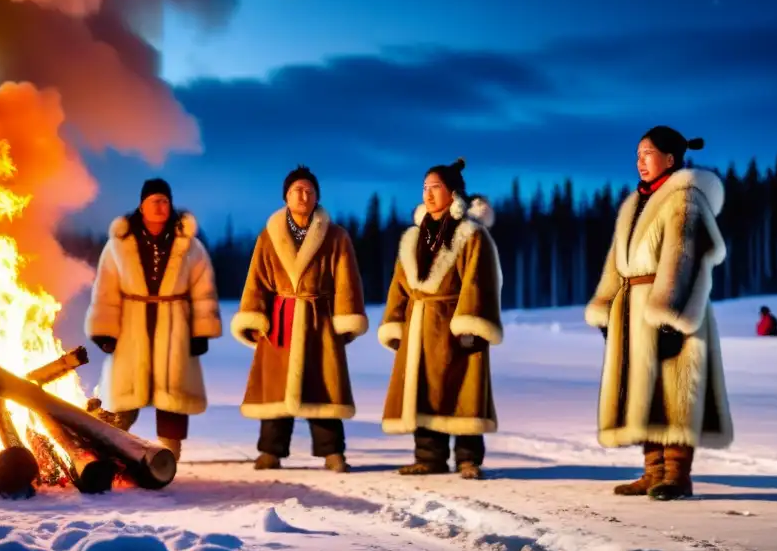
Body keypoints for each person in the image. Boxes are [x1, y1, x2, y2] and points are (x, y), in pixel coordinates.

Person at [585, 126, 734, 500]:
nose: (640, 161)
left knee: (676, 390)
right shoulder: (634, 204)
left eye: (648, 153)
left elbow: (688, 261)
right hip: (633, 309)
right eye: (637, 154)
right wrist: (606, 307)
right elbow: (616, 263)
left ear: (670, 159)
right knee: (643, 390)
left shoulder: (684, 200)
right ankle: (652, 471)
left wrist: (671, 315)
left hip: (671, 306)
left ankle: (677, 475)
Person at [231, 166, 368, 472]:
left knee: (324, 387)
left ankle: (333, 453)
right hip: (281, 321)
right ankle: (270, 451)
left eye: (308, 191)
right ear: (286, 197)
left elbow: (347, 280)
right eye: (297, 191)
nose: (303, 196)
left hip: (319, 322)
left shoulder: (335, 236)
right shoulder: (270, 236)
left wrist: (345, 322)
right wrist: (254, 319)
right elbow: (257, 280)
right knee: (277, 390)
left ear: (317, 196)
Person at [377, 158, 503, 479]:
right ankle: (429, 457)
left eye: (436, 188)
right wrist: (394, 321)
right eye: (425, 188)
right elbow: (399, 286)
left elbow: (480, 281)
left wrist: (470, 324)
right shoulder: (413, 238)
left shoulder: (471, 236)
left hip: (454, 324)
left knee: (463, 388)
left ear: (453, 193)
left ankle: (467, 459)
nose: (429, 194)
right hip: (419, 323)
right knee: (421, 390)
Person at [85, 178, 222, 461]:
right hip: (132, 325)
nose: (160, 206)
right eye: (154, 201)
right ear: (142, 205)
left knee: (172, 395)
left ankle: (168, 457)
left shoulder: (190, 246)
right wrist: (103, 330)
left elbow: (203, 290)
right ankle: (110, 453)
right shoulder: (119, 245)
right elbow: (106, 290)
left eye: (165, 201)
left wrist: (201, 332)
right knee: (123, 397)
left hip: (176, 326)